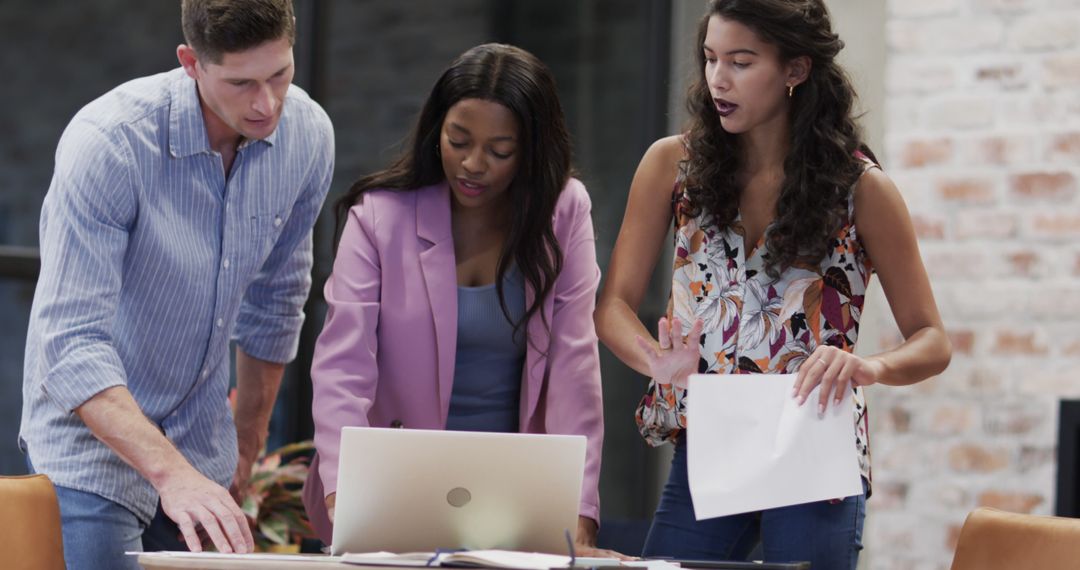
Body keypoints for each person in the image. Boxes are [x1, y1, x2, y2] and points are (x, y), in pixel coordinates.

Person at [594, 0, 951, 568]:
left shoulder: (862, 189)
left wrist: (870, 367)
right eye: (710, 59)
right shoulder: (670, 165)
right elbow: (612, 305)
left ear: (796, 70)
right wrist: (654, 360)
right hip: (711, 443)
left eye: (741, 61)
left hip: (815, 453)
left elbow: (933, 340)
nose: (718, 79)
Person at [18, 0, 334, 567]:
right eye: (241, 83)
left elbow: (278, 299)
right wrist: (172, 475)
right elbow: (70, 344)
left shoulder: (307, 136)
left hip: (203, 450)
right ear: (191, 62)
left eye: (280, 75)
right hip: (92, 454)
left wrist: (245, 442)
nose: (266, 104)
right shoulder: (111, 142)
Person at [301, 43, 617, 557]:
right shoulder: (378, 216)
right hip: (394, 489)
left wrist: (579, 514)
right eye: (458, 140)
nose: (473, 164)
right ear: (436, 131)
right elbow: (343, 365)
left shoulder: (563, 211)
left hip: (515, 495)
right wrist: (344, 494)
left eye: (500, 150)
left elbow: (574, 367)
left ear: (532, 150)